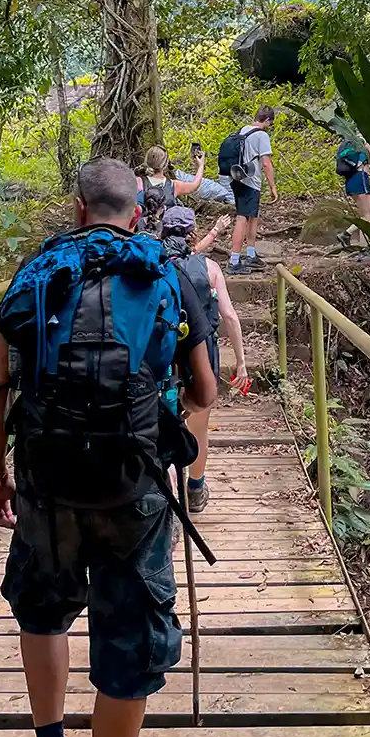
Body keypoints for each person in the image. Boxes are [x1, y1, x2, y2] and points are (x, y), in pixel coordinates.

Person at [0, 157, 217, 737]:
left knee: (44, 611)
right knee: (128, 644)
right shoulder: (164, 272)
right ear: (136, 214)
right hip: (134, 489)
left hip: (46, 487)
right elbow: (204, 393)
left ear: (79, 208)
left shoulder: (38, 273)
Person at [159, 206, 249, 513]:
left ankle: (165, 483)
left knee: (161, 418)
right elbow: (229, 316)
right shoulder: (209, 268)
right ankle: (195, 489)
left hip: (163, 352)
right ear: (192, 233)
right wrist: (240, 361)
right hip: (201, 349)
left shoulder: (155, 266)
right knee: (198, 423)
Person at [223, 106, 278, 276]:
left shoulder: (243, 130)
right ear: (267, 120)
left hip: (236, 177)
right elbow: (266, 163)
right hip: (250, 182)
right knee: (242, 218)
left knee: (252, 216)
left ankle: (251, 254)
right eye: (270, 122)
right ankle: (234, 261)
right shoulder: (262, 135)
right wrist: (273, 187)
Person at [136, 145, 206, 232]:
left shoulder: (137, 182)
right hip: (165, 236)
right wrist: (200, 166)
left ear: (147, 161)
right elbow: (195, 185)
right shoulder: (174, 185)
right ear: (165, 164)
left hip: (139, 233)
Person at [336, 139, 370, 250]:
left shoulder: (354, 144)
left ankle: (346, 234)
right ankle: (364, 249)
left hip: (350, 180)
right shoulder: (366, 146)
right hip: (360, 178)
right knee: (367, 216)